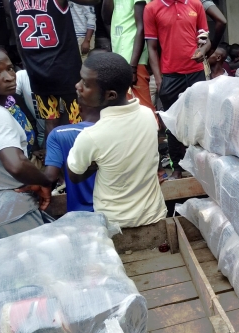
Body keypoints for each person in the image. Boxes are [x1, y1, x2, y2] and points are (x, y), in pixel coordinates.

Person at [67, 52, 167, 228]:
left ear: (111, 95)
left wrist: (97, 163)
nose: (78, 86)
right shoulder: (147, 114)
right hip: (153, 215)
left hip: (114, 223)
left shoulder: (91, 136)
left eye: (85, 83)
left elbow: (74, 176)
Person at [0, 45, 52, 245]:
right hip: (11, 215)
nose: (9, 77)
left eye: (9, 68)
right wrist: (43, 182)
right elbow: (16, 164)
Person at [3, 0, 95, 138]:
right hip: (66, 69)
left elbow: (18, 38)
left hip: (37, 70)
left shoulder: (10, 2)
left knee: (50, 120)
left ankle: (52, 156)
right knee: (77, 119)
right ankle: (79, 156)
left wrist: (28, 65)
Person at [144, 0, 210, 179]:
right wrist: (159, 80)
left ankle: (200, 166)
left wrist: (202, 51)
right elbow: (152, 47)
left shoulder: (195, 5)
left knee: (199, 120)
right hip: (170, 75)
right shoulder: (152, 8)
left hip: (196, 73)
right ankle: (177, 167)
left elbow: (206, 41)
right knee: (173, 123)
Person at [44, 93, 100, 213]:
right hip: (113, 211)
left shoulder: (58, 134)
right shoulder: (117, 133)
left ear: (78, 108)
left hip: (78, 214)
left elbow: (50, 176)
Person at [102, 0, 156, 113]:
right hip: (120, 57)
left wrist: (133, 68)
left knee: (143, 106)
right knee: (127, 107)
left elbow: (142, 27)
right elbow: (106, 18)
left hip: (133, 58)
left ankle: (153, 128)